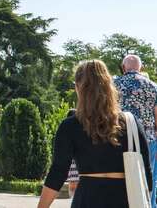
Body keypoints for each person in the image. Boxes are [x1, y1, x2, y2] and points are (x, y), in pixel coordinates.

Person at [39, 60, 153, 208]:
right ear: (109, 87)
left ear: (78, 88)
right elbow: (147, 175)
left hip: (87, 199)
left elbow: (57, 173)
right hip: (124, 199)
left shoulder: (70, 126)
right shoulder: (131, 123)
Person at [113, 54, 157, 207]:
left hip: (118, 138)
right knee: (149, 180)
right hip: (148, 139)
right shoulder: (153, 86)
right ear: (141, 68)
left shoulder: (113, 85)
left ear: (123, 67)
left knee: (119, 179)